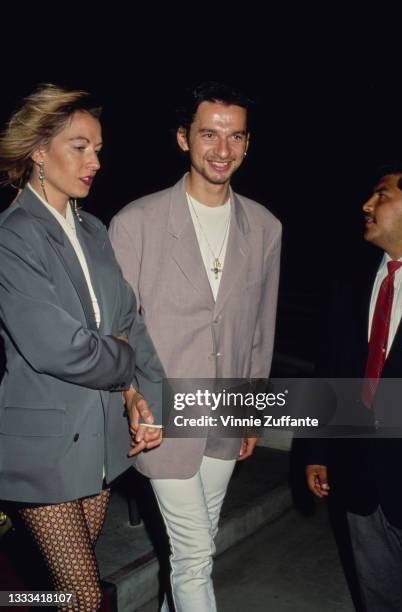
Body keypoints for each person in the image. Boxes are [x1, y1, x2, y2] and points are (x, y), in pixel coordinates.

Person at [109, 81, 282, 611]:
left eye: (235, 137)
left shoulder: (267, 227)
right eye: (209, 134)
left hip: (226, 413)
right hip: (161, 415)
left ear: (248, 143)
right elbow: (116, 328)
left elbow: (260, 329)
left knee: (195, 547)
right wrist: (132, 399)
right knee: (195, 555)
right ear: (184, 138)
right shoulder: (136, 222)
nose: (222, 150)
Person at [0, 84, 162, 611]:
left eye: (98, 149)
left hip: (98, 448)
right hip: (41, 452)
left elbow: (126, 322)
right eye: (80, 146)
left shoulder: (92, 229)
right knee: (86, 598)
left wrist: (135, 393)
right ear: (39, 152)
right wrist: (121, 358)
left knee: (59, 592)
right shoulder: (13, 236)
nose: (95, 160)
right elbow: (58, 348)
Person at [306, 168, 402, 611]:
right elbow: (330, 372)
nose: (366, 206)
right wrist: (316, 450)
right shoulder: (351, 281)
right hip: (357, 480)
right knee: (379, 598)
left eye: (381, 196)